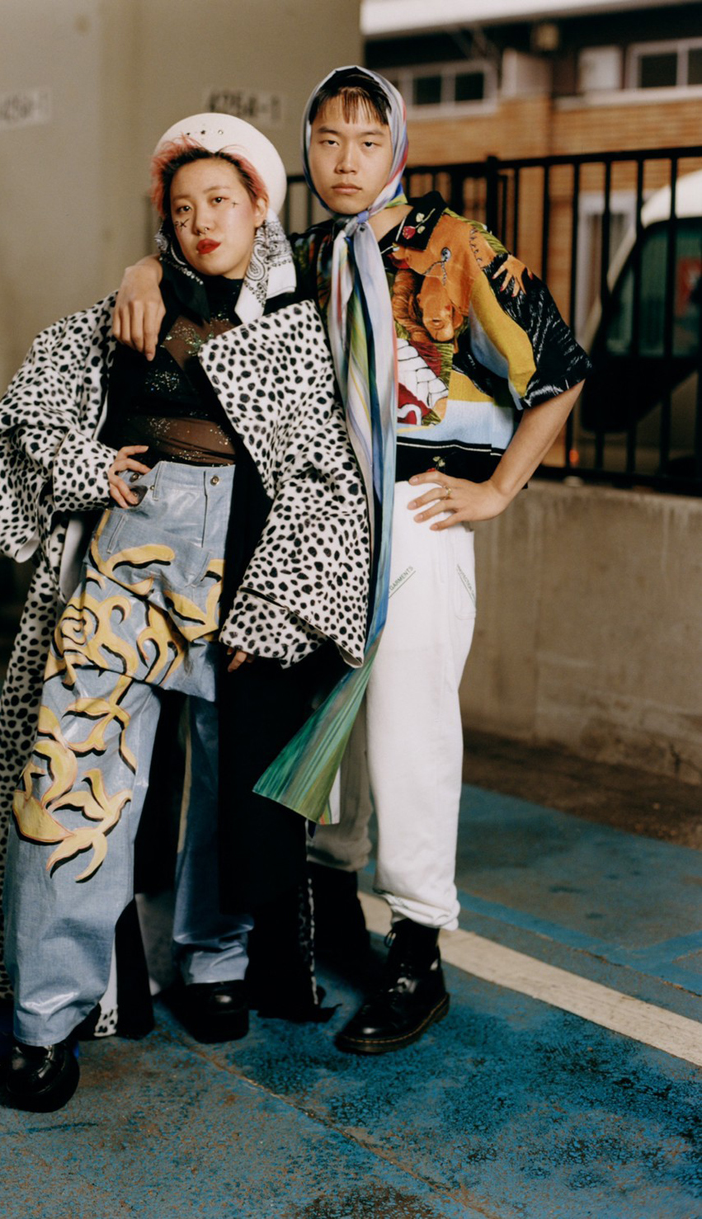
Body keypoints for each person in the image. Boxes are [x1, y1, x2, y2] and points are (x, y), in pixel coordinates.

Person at [113, 67, 591, 1057]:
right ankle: (332, 897)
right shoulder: (297, 256)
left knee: (409, 724)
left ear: (396, 148)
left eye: (366, 141)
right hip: (321, 513)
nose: (344, 160)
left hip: (415, 506)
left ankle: (417, 949)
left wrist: (498, 489)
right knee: (321, 718)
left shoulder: (453, 243)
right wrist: (140, 272)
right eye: (326, 139)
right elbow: (201, 262)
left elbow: (558, 368)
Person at [0, 113, 370, 1111]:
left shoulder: (298, 327)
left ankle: (215, 961)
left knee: (233, 777)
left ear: (259, 206)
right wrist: (88, 463)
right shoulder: (120, 311)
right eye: (181, 209)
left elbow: (325, 475)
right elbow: (23, 421)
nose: (200, 222)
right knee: (69, 773)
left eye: (219, 200)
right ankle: (47, 1019)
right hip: (124, 560)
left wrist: (274, 607)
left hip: (242, 569)